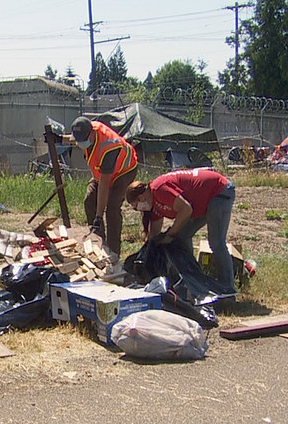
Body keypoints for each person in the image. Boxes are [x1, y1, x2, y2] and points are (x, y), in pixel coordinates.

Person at [126, 168, 237, 292]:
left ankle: (228, 288)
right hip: (201, 203)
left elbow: (186, 209)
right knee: (182, 237)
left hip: (218, 192)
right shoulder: (154, 204)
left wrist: (171, 233)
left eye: (135, 207)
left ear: (141, 197)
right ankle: (192, 278)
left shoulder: (159, 190)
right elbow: (153, 236)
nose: (138, 209)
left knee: (217, 243)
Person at [68, 116, 138, 256]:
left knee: (111, 207)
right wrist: (57, 138)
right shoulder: (85, 130)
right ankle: (98, 242)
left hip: (123, 171)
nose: (80, 144)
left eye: (82, 140)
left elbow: (104, 186)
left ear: (92, 133)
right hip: (102, 173)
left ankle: (113, 252)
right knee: (89, 200)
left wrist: (99, 217)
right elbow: (72, 138)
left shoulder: (108, 147)